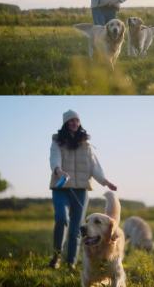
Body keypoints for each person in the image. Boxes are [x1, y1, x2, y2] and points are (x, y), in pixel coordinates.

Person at [48, 110, 118, 270]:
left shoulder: (86, 143)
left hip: (80, 190)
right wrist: (58, 171)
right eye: (71, 120)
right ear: (66, 123)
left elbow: (94, 166)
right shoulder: (57, 141)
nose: (74, 123)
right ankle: (56, 256)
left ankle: (71, 262)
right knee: (61, 219)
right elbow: (54, 158)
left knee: (76, 228)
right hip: (61, 187)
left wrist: (105, 181)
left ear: (79, 123)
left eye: (76, 121)